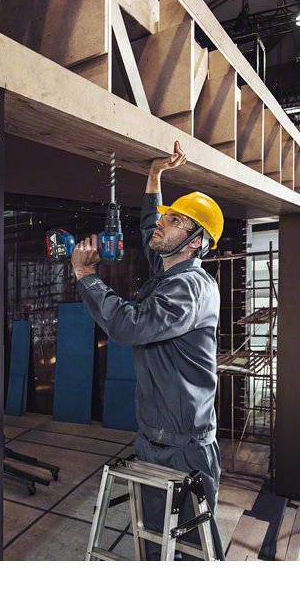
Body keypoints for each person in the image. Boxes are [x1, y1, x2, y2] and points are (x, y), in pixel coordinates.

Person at [71, 140, 226, 560]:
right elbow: (148, 230)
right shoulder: (169, 273)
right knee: (155, 542)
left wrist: (86, 276)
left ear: (195, 242)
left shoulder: (190, 289)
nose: (162, 222)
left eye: (175, 221)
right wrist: (155, 175)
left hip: (185, 449)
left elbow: (130, 325)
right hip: (153, 440)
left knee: (190, 554)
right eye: (166, 216)